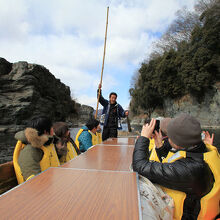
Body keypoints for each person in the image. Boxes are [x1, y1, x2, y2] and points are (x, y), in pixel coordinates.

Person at [132, 114, 220, 220]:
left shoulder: (190, 170)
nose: (167, 139)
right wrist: (160, 148)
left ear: (178, 144)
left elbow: (139, 166)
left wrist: (143, 137)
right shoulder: (209, 151)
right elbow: (171, 161)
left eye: (170, 137)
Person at [13, 116, 60, 183]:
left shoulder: (48, 143)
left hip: (54, 184)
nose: (54, 130)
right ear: (46, 131)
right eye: (52, 128)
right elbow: (33, 180)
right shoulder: (30, 150)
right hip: (42, 190)